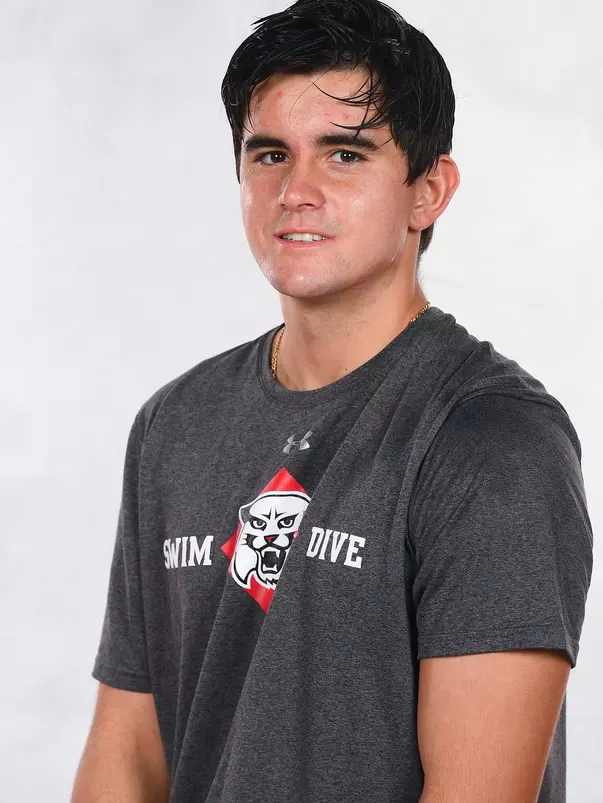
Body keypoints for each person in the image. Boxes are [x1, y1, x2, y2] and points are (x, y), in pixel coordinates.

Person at [71, 1, 593, 801]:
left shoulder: (490, 440)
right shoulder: (174, 425)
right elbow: (128, 754)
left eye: (345, 155)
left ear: (428, 191)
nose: (296, 191)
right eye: (270, 153)